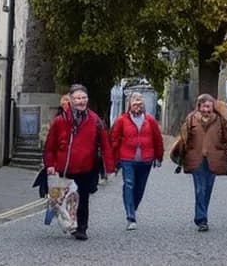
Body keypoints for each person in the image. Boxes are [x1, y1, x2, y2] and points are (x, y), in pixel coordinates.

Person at [43, 84, 115, 240]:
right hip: (64, 168)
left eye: (83, 98)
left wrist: (109, 169)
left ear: (87, 100)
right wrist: (50, 165)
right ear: (70, 99)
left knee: (83, 198)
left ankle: (81, 228)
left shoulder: (95, 120)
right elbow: (50, 146)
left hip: (86, 168)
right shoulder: (60, 121)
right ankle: (69, 221)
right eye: (77, 98)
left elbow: (105, 145)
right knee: (64, 199)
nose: (81, 101)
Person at [177, 93, 227, 232]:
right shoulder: (191, 119)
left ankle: (202, 214)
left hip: (214, 160)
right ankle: (201, 219)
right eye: (204, 106)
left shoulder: (220, 120)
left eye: (209, 107)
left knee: (207, 189)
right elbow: (183, 139)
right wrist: (182, 154)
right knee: (200, 189)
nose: (206, 110)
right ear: (199, 106)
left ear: (213, 107)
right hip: (196, 159)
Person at [110, 92, 164, 230]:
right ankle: (130, 216)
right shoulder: (121, 120)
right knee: (129, 184)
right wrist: (114, 160)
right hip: (127, 158)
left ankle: (132, 207)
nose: (137, 106)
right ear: (129, 105)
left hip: (146, 160)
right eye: (135, 103)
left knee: (139, 188)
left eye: (140, 103)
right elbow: (114, 140)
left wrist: (159, 157)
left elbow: (157, 139)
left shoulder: (150, 120)